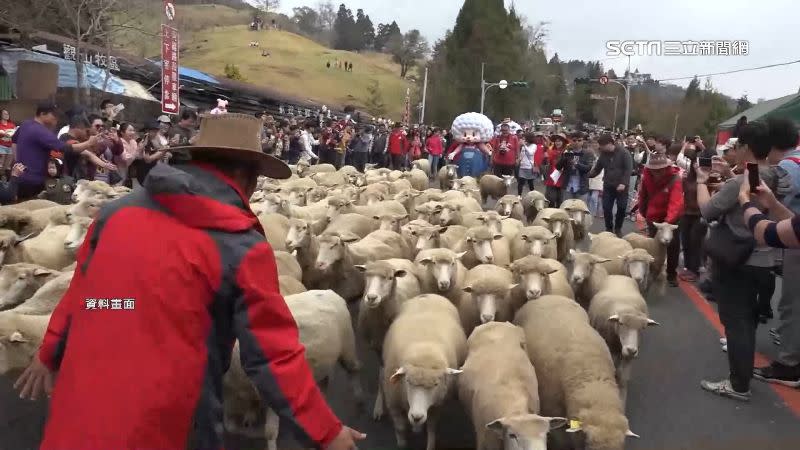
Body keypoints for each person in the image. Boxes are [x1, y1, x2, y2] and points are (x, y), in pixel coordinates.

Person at [14, 113, 365, 450]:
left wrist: (49, 352)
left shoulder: (115, 214)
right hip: (170, 420)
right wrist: (325, 429)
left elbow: (87, 296)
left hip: (82, 407)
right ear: (248, 178)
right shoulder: (240, 246)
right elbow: (272, 354)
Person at [696, 121, 792, 401]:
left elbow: (708, 211)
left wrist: (703, 181)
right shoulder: (778, 176)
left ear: (747, 148)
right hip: (766, 259)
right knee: (748, 319)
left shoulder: (741, 182)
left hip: (737, 260)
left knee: (736, 321)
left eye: (737, 146)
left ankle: (738, 384)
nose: (734, 151)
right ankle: (743, 374)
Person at [747, 117, 800, 387]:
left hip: (792, 241)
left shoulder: (787, 168)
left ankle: (789, 365)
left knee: (792, 304)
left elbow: (772, 225)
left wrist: (750, 208)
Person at [11, 102, 104, 200]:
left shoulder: (26, 124)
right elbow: (66, 148)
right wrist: (88, 143)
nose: (56, 118)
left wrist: (17, 161)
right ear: (42, 114)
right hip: (34, 180)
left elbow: (14, 140)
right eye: (54, 115)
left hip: (21, 178)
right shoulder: (40, 131)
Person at [637, 150, 683, 286]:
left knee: (672, 245)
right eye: (654, 170)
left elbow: (676, 202)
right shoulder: (646, 178)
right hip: (654, 217)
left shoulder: (675, 179)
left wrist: (668, 222)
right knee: (653, 245)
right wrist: (644, 212)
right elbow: (643, 196)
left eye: (660, 169)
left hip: (671, 220)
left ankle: (671, 273)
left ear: (666, 168)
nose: (657, 172)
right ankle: (652, 270)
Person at [588, 133, 633, 236]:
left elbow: (628, 170)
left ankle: (618, 228)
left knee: (621, 208)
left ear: (609, 143)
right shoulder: (604, 155)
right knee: (606, 208)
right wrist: (589, 175)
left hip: (622, 187)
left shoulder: (624, 153)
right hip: (608, 185)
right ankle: (609, 228)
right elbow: (597, 168)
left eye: (602, 146)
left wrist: (623, 183)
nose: (601, 148)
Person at [542, 133, 569, 207]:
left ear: (563, 142)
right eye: (556, 141)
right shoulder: (550, 151)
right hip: (552, 177)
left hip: (563, 178)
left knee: (561, 200)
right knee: (550, 199)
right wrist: (545, 155)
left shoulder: (567, 152)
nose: (557, 143)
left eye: (560, 141)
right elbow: (545, 163)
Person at [0, 108, 15, 176]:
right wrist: (4, 133)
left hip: (10, 147)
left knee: (8, 165)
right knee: (1, 164)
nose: (7, 115)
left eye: (8, 114)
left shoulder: (11, 124)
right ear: (1, 115)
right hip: (1, 146)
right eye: (5, 114)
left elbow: (15, 133)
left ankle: (5, 180)